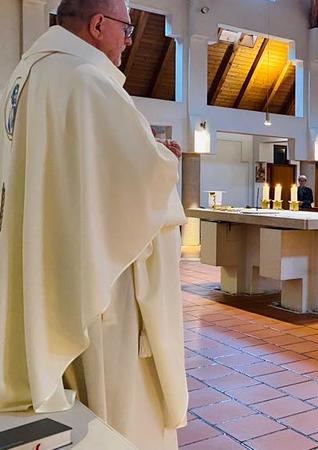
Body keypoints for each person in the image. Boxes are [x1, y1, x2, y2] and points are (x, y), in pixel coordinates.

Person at [0, 2, 187, 448]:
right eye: (126, 28)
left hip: (50, 259)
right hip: (103, 282)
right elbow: (136, 185)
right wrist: (165, 161)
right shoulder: (86, 81)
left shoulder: (27, 76)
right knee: (116, 407)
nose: (128, 41)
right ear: (98, 25)